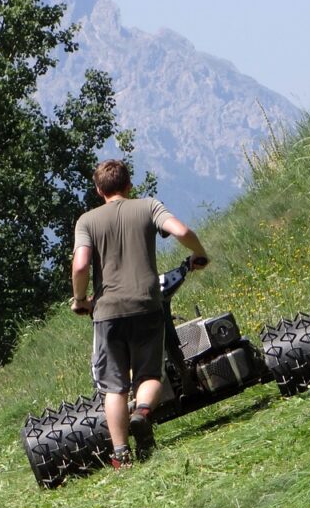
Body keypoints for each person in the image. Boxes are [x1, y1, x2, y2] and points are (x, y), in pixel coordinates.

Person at [71, 159, 209, 469]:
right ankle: (142, 414)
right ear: (129, 184)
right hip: (147, 305)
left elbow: (80, 265)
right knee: (149, 375)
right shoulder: (148, 206)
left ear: (98, 190)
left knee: (114, 386)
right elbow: (181, 230)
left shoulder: (87, 221)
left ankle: (121, 455)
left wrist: (80, 299)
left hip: (106, 312)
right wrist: (199, 253)